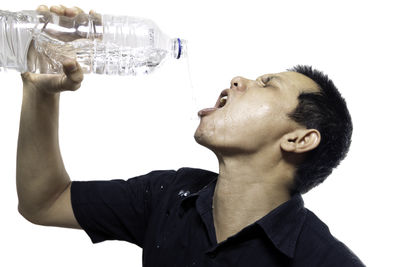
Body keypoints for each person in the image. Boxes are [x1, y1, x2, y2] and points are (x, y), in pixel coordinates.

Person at [16, 5, 365, 267]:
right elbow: (44, 202)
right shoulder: (170, 196)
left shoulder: (324, 261)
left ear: (299, 139)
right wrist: (41, 93)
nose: (237, 80)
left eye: (266, 84)